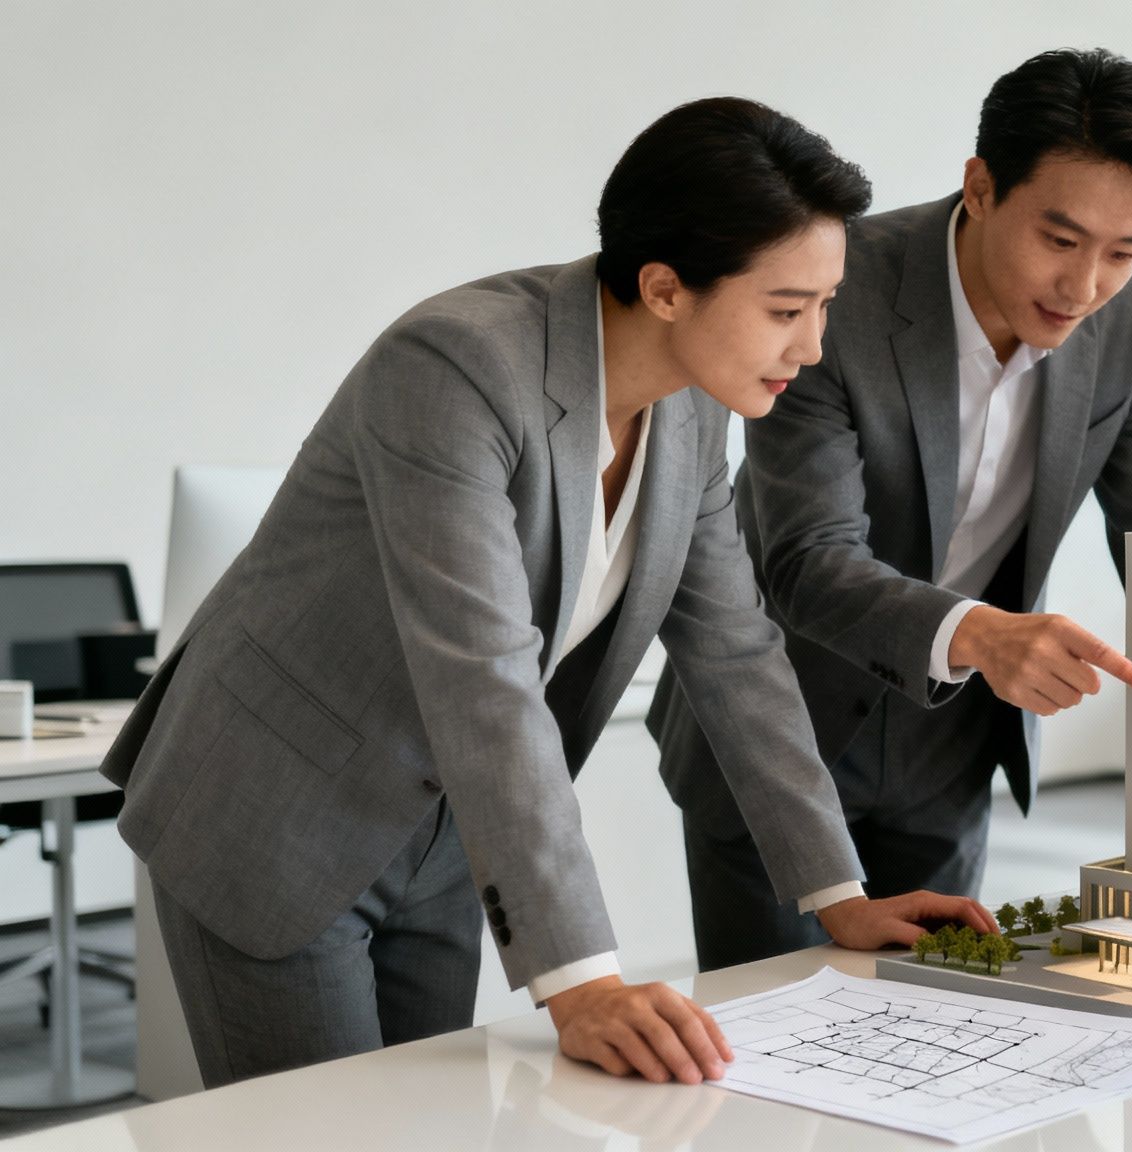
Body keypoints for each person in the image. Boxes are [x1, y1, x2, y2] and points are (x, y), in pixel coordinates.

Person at [102, 97, 993, 1089]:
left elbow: (735, 652)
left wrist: (839, 896)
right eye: (787, 309)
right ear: (663, 288)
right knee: (331, 1132)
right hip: (275, 808)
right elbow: (483, 673)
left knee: (427, 1125)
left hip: (445, 824)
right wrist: (585, 983)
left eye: (825, 304)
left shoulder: (692, 412)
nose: (814, 345)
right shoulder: (454, 365)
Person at [649, 49, 1132, 971]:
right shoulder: (835, 290)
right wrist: (986, 635)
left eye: (1123, 250)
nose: (1084, 287)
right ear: (980, 187)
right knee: (773, 1058)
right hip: (781, 731)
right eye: (1060, 241)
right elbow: (807, 558)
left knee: (936, 1036)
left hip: (953, 743)